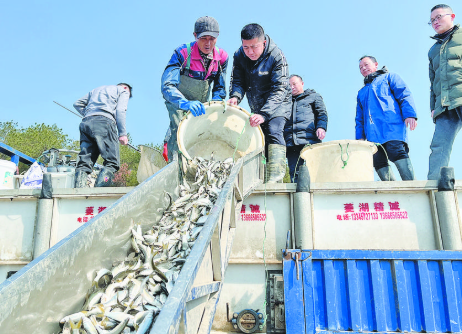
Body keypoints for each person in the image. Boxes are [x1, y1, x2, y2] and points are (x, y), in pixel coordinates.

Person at [228, 23, 291, 183]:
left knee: (273, 129)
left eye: (254, 47)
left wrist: (264, 113)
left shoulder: (277, 55)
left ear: (263, 43)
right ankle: (259, 178)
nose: (249, 52)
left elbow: (280, 88)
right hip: (257, 105)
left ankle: (275, 179)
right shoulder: (239, 55)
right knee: (259, 137)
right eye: (246, 47)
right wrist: (235, 96)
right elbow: (237, 80)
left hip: (278, 103)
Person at [161, 16, 228, 161]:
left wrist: (216, 102)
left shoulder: (221, 58)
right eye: (204, 38)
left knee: (202, 137)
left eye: (212, 38)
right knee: (179, 133)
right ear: (195, 36)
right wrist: (185, 103)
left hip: (201, 105)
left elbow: (219, 87)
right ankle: (174, 168)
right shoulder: (182, 53)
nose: (208, 43)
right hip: (179, 104)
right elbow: (167, 86)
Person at [355, 56, 417, 181]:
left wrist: (410, 114)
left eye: (366, 65)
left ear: (376, 64)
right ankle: (391, 190)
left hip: (391, 126)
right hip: (372, 133)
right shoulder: (361, 92)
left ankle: (411, 184)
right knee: (377, 159)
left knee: (396, 151)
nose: (363, 68)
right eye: (361, 67)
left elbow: (404, 94)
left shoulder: (389, 77)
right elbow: (359, 117)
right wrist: (360, 137)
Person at [73, 83, 132, 187]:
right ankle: (99, 191)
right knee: (112, 162)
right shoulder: (123, 91)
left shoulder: (96, 90)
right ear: (125, 88)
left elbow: (77, 104)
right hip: (105, 123)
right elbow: (120, 110)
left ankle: (78, 191)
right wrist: (122, 134)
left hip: (86, 123)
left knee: (84, 163)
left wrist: (88, 114)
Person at [427, 4, 462, 180]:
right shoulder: (433, 50)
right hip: (444, 105)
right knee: (439, 146)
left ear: (452, 16)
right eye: (432, 20)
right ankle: (434, 188)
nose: (435, 22)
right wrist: (433, 106)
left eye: (439, 17)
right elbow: (433, 81)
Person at [284, 74, 328, 183]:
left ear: (302, 83)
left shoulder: (314, 96)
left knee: (313, 171)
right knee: (294, 174)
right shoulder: (285, 102)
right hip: (291, 143)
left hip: (310, 140)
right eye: (289, 85)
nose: (292, 87)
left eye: (294, 84)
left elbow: (321, 114)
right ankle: (298, 198)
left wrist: (321, 127)